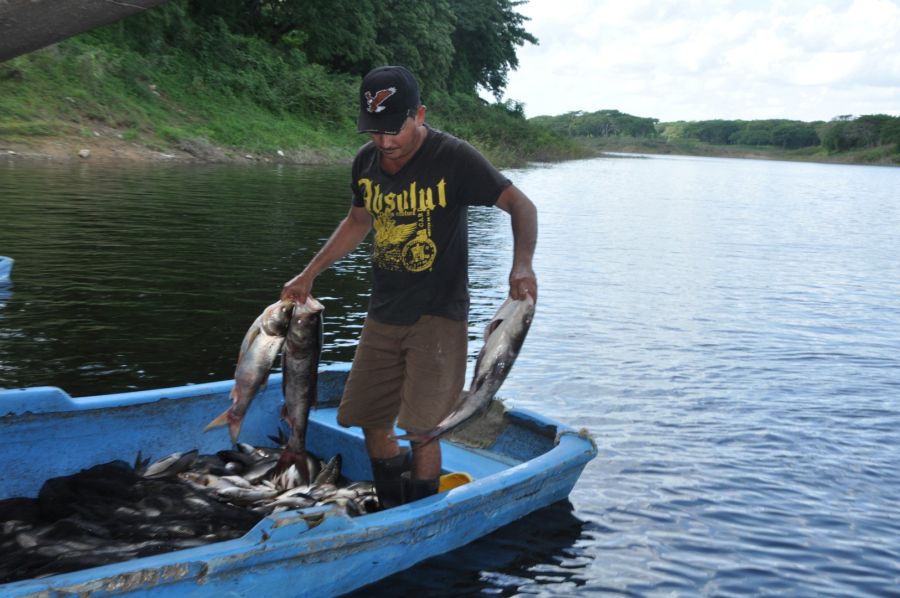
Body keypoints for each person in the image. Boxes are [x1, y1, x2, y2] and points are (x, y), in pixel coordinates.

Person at [281, 65, 537, 507]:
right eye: (374, 131)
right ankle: (392, 504)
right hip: (383, 312)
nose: (384, 142)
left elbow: (521, 205)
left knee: (422, 430)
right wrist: (310, 273)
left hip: (438, 315)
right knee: (370, 421)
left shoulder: (453, 157)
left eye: (393, 129)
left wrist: (522, 266)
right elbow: (358, 221)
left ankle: (419, 513)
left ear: (418, 114)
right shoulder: (366, 161)